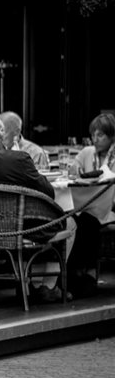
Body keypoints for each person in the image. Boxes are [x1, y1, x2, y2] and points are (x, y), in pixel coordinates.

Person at [0, 114, 75, 301]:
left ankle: (30, 286)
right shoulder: (18, 159)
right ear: (1, 133)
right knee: (70, 223)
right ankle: (47, 285)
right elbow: (48, 192)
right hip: (24, 228)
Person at [66, 113, 115, 295]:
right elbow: (73, 171)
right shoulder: (87, 152)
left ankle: (84, 273)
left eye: (100, 135)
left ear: (111, 136)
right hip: (86, 206)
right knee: (75, 220)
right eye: (93, 135)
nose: (95, 139)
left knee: (86, 221)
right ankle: (79, 273)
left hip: (110, 207)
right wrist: (75, 170)